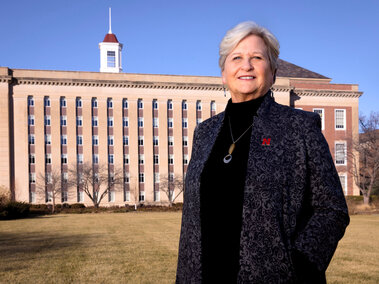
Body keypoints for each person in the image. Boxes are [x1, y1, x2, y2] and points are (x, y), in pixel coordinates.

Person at [176, 21, 350, 283]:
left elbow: (332, 209)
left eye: (256, 57)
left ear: (273, 72)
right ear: (224, 73)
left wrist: (299, 266)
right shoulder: (205, 133)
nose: (246, 65)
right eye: (236, 58)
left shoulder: (299, 127)